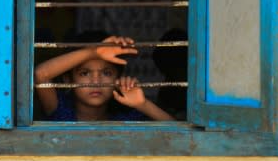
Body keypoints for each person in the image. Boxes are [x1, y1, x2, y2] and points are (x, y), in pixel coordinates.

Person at [34, 35, 174, 121]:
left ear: (118, 79)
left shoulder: (125, 118)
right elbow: (40, 74)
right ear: (68, 80)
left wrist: (142, 104)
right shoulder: (60, 110)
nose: (96, 82)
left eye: (106, 73)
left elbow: (183, 134)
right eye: (84, 73)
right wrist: (94, 52)